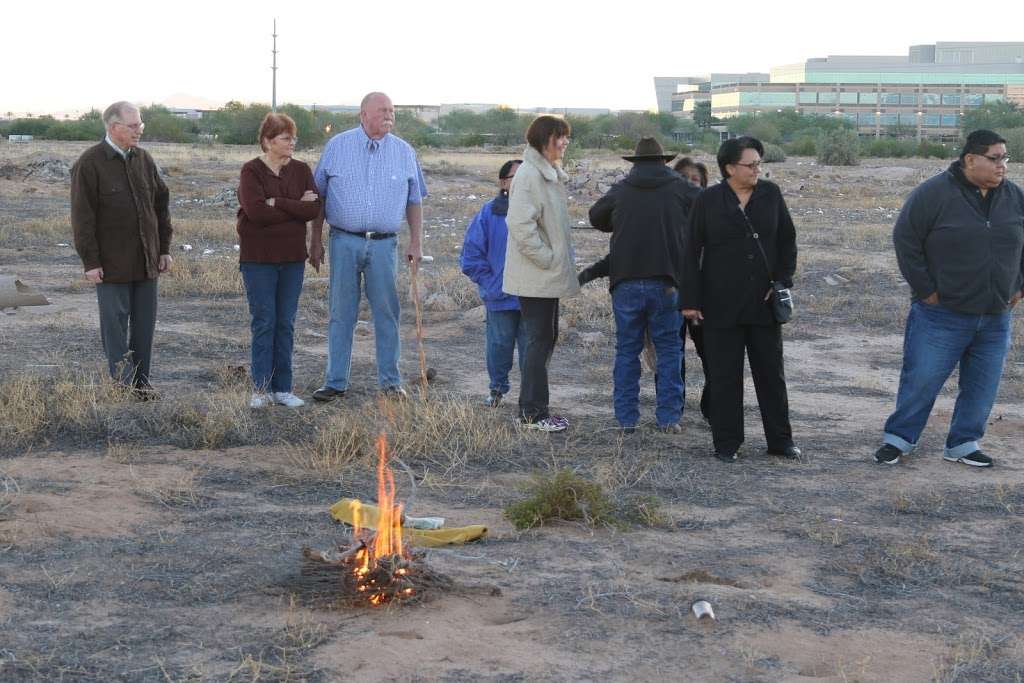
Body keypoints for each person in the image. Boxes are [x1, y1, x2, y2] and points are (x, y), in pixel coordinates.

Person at [874, 130, 1024, 468]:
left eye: (1005, 158)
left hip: (996, 314)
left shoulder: (1014, 197)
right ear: (970, 159)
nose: (1003, 165)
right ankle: (899, 440)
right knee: (922, 379)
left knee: (982, 385)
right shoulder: (933, 194)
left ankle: (963, 443)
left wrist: (1019, 285)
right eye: (995, 158)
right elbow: (906, 240)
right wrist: (926, 290)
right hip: (942, 313)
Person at [681, 136, 799, 463]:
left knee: (770, 376)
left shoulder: (771, 195)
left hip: (763, 304)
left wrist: (780, 282)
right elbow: (690, 251)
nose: (757, 169)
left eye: (760, 163)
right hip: (720, 304)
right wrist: (690, 300)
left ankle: (781, 441)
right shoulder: (707, 201)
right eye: (751, 164)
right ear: (730, 168)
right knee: (724, 376)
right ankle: (727, 443)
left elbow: (788, 243)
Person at [308, 92, 427, 402]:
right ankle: (335, 382)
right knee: (341, 312)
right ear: (363, 115)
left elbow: (414, 201)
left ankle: (390, 382)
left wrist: (416, 242)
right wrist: (315, 240)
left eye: (391, 110)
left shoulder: (404, 152)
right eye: (382, 110)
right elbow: (318, 196)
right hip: (344, 240)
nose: (389, 115)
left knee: (387, 313)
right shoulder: (337, 146)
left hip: (385, 246)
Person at [588, 137, 699, 433]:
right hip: (667, 283)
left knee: (627, 350)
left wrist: (622, 219)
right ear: (664, 161)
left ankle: (626, 419)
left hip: (625, 282)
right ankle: (669, 419)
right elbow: (706, 205)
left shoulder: (622, 189)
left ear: (635, 162)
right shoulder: (679, 187)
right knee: (670, 351)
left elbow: (595, 216)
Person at [70, 101, 172, 399]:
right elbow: (82, 218)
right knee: (114, 326)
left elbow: (160, 205)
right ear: (114, 127)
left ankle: (141, 384)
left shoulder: (144, 159)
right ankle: (121, 385)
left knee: (144, 326)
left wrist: (163, 248)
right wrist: (90, 262)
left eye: (140, 124)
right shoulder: (89, 163)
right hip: (111, 263)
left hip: (147, 259)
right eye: (133, 125)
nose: (139, 130)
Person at [236, 112, 321, 409]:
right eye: (285, 138)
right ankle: (261, 389)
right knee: (264, 322)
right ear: (267, 141)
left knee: (285, 323)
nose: (292, 143)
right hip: (259, 259)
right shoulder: (251, 172)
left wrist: (280, 203)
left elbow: (313, 210)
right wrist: (297, 207)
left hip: (292, 259)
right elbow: (256, 214)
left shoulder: (301, 170)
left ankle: (283, 388)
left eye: (293, 138)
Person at [503, 115, 580, 431]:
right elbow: (520, 225)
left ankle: (534, 409)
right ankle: (533, 413)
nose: (563, 143)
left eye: (565, 137)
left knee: (545, 338)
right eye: (558, 137)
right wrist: (548, 259)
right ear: (541, 139)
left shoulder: (546, 172)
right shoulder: (530, 175)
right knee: (538, 340)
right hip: (535, 275)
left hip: (543, 276)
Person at [460, 159, 526, 407]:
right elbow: (471, 255)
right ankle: (497, 390)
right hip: (501, 296)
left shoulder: (542, 210)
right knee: (499, 347)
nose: (521, 183)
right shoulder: (489, 213)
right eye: (514, 178)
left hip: (534, 296)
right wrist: (492, 284)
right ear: (503, 183)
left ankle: (530, 397)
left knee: (533, 352)